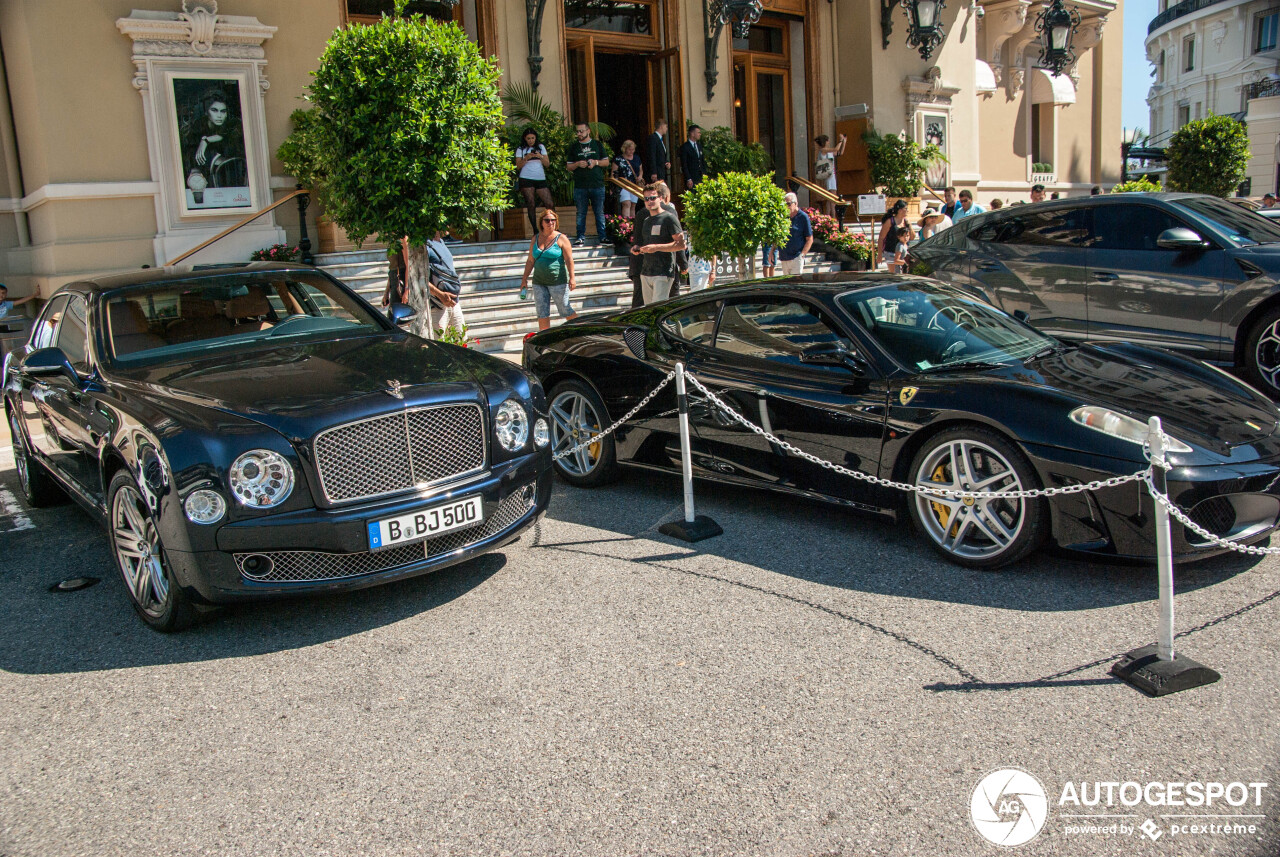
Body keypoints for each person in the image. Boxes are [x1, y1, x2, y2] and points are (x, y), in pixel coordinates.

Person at [519, 209, 578, 331]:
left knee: (565, 309)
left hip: (558, 282)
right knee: (542, 312)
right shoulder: (535, 238)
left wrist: (572, 278)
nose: (550, 222)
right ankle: (544, 337)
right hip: (539, 282)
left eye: (553, 220)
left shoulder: (561, 238)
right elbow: (530, 260)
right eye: (547, 220)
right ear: (542, 223)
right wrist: (524, 279)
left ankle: (579, 330)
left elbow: (569, 259)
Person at [182, 92, 246, 197]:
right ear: (206, 111)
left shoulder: (233, 125)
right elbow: (192, 158)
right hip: (207, 188)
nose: (219, 115)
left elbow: (233, 148)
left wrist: (207, 140)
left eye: (223, 111)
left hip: (233, 185)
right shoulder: (197, 129)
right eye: (214, 110)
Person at [628, 182, 681, 308]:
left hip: (663, 271)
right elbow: (647, 245)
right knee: (650, 311)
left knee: (658, 310)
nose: (649, 201)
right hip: (646, 271)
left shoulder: (669, 218)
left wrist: (656, 248)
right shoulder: (646, 220)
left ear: (661, 198)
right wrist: (638, 249)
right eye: (646, 199)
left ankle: (674, 328)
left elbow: (681, 244)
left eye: (653, 198)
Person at [566, 122, 608, 246]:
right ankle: (580, 237)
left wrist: (595, 162)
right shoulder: (574, 147)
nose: (579, 134)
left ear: (588, 130)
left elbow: (606, 162)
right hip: (580, 185)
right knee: (580, 213)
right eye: (577, 131)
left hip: (597, 184)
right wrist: (578, 164)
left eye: (581, 131)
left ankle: (603, 236)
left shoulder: (597, 144)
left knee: (599, 211)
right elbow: (568, 166)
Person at [514, 127, 554, 234]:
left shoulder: (541, 147)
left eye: (533, 138)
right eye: (528, 138)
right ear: (525, 139)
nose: (531, 140)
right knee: (531, 203)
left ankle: (551, 227)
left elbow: (547, 164)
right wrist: (526, 158)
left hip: (540, 177)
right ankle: (535, 230)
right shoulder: (520, 149)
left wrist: (539, 156)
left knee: (549, 203)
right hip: (526, 178)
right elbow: (518, 166)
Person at [778, 192, 813, 276]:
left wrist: (802, 255)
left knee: (795, 285)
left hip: (796, 257)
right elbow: (778, 236)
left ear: (796, 203)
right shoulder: (783, 217)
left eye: (789, 204)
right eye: (784, 204)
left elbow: (809, 238)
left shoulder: (803, 217)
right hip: (784, 257)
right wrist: (772, 251)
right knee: (787, 286)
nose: (786, 207)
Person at [813, 133, 847, 217]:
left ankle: (828, 215)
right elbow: (836, 148)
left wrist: (844, 142)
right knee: (832, 196)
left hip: (832, 175)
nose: (829, 142)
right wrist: (840, 140)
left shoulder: (829, 152)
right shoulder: (823, 150)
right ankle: (834, 217)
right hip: (828, 176)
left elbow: (840, 152)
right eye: (828, 141)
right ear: (825, 141)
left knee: (830, 198)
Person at [613, 140, 643, 219]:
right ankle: (626, 225)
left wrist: (640, 176)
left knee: (633, 205)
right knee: (626, 203)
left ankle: (633, 225)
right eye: (629, 149)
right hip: (623, 185)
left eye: (633, 149)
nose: (631, 151)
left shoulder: (636, 158)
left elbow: (640, 169)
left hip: (634, 185)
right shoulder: (618, 159)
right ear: (625, 149)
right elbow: (613, 173)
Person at [877, 199, 912, 269]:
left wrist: (909, 225)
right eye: (906, 209)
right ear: (900, 210)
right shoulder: (890, 222)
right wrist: (880, 254)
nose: (907, 211)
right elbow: (881, 238)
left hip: (903, 252)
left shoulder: (906, 222)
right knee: (894, 274)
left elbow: (912, 237)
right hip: (891, 252)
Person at [381, 238, 408, 311]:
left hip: (402, 279)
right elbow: (392, 269)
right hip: (394, 279)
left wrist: (407, 290)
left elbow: (408, 266)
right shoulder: (391, 241)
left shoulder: (402, 239)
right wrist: (386, 292)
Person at [679, 125, 706, 190]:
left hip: (700, 177)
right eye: (698, 132)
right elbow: (684, 164)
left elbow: (702, 161)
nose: (700, 134)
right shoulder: (685, 147)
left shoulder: (699, 146)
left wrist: (705, 175)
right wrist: (688, 178)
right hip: (692, 177)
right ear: (692, 133)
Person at [645, 119, 670, 184]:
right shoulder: (653, 138)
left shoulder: (660, 139)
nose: (667, 129)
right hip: (657, 173)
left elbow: (661, 155)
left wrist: (666, 162)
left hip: (662, 172)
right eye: (666, 126)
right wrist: (653, 172)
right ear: (661, 126)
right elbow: (652, 156)